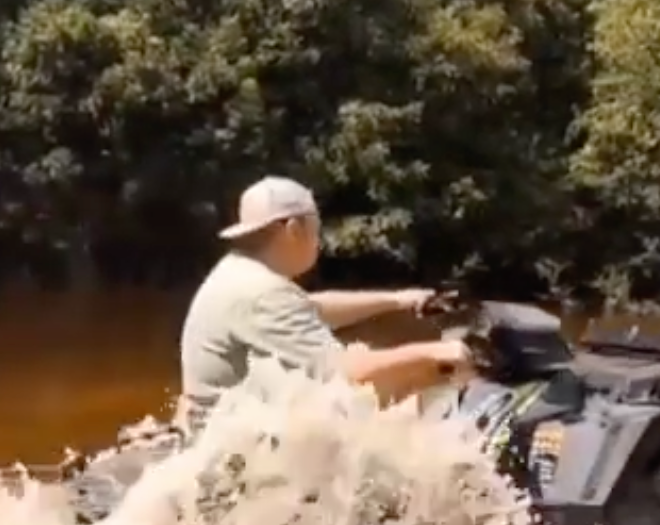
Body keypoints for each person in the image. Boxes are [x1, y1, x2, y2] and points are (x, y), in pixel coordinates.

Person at [178, 176, 473, 424]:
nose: (319, 241)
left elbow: (309, 308)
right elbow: (346, 375)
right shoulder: (263, 294)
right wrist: (438, 353)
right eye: (316, 229)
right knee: (408, 385)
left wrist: (398, 300)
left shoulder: (239, 272)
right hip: (235, 450)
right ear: (294, 229)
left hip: (219, 428)